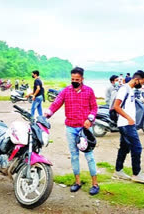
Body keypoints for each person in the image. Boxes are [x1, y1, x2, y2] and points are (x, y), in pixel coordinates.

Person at [45, 67, 99, 195]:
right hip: (70, 128)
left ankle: (95, 184)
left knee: (89, 156)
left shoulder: (89, 91)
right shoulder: (65, 91)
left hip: (85, 129)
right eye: (72, 79)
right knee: (74, 156)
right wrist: (46, 115)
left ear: (82, 79)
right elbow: (56, 104)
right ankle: (77, 182)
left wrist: (89, 119)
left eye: (77, 79)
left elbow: (94, 108)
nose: (74, 81)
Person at [113, 70, 144, 184]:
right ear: (137, 80)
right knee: (137, 148)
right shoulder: (124, 89)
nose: (142, 85)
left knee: (124, 147)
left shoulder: (130, 90)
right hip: (126, 124)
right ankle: (136, 174)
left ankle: (118, 170)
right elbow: (116, 106)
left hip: (127, 123)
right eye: (142, 82)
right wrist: (129, 118)